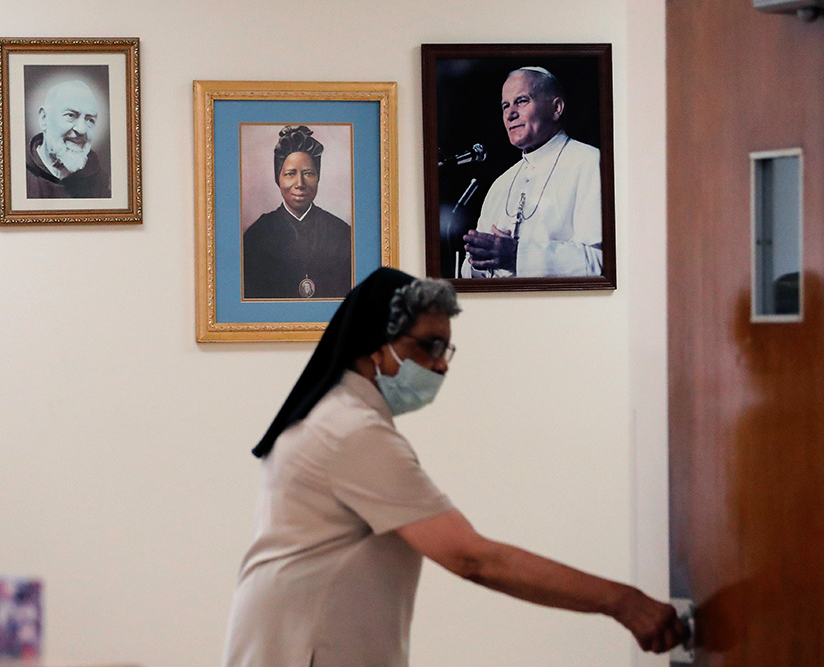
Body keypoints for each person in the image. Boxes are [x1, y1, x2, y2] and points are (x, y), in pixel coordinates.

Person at [222, 267, 689, 666]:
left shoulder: (341, 416)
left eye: (445, 350)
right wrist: (622, 602)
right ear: (374, 345)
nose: (440, 366)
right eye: (428, 346)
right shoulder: (349, 431)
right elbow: (472, 558)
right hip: (300, 649)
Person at [462, 66, 602, 278]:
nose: (510, 114)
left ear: (556, 108)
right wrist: (479, 260)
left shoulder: (590, 162)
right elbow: (470, 271)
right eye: (505, 106)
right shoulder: (501, 183)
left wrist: (517, 256)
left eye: (522, 101)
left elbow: (599, 263)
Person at [242, 125, 352, 299]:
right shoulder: (257, 235)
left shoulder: (341, 233)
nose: (299, 183)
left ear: (318, 177)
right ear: (278, 178)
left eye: (308, 173)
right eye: (290, 174)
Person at [25, 80, 111, 199]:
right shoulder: (16, 176)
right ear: (44, 118)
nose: (82, 130)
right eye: (71, 115)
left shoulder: (101, 183)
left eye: (90, 120)